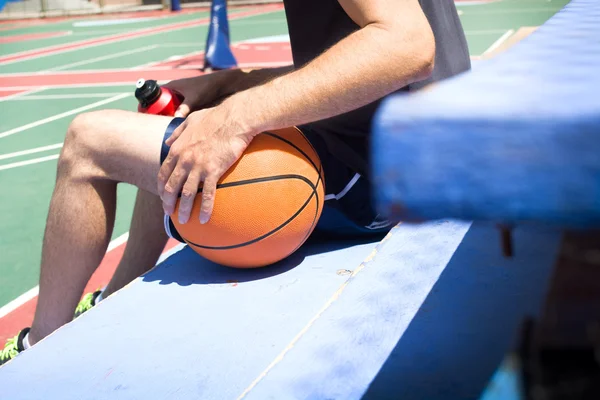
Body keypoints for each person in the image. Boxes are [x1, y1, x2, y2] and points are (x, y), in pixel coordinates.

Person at [0, 0, 470, 365]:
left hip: (376, 181)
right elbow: (358, 60)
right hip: (421, 160)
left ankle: (39, 341)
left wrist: (236, 117)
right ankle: (111, 300)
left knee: (88, 141)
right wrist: (230, 86)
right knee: (185, 129)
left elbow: (407, 46)